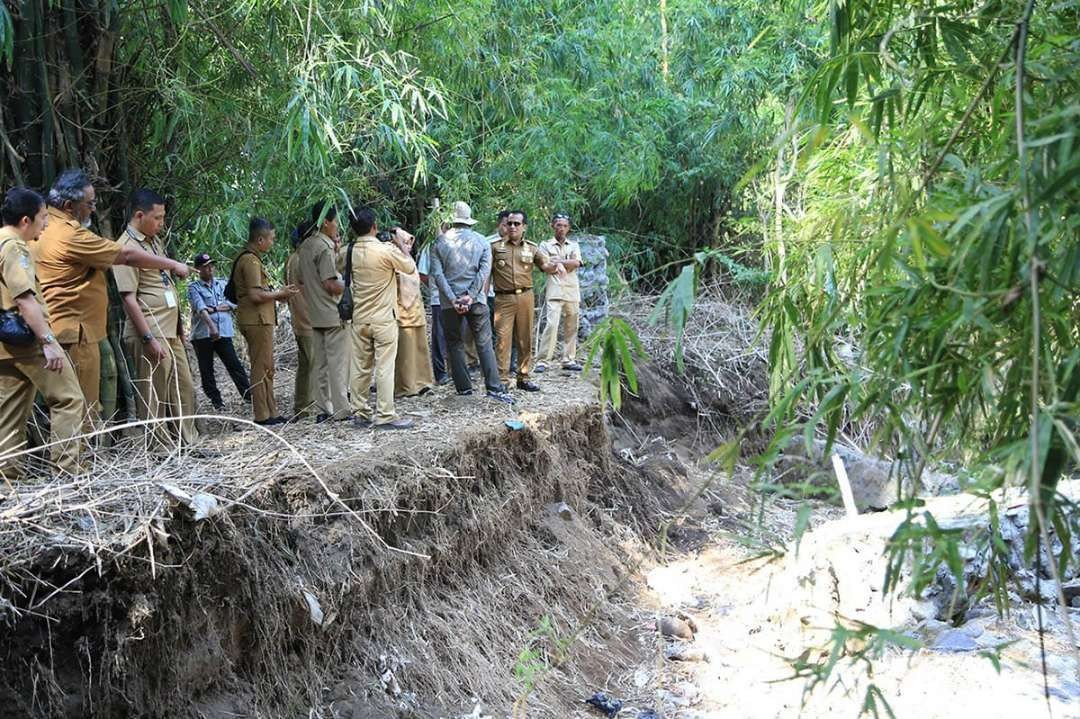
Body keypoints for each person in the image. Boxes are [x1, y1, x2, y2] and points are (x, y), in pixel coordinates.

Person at [31, 169, 190, 428]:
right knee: (79, 405)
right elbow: (126, 257)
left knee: (69, 403)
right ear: (70, 206)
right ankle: (74, 466)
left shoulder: (44, 226)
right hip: (74, 332)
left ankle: (73, 463)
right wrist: (172, 264)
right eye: (90, 204)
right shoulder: (69, 234)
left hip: (63, 329)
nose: (93, 210)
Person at [0, 188, 84, 479]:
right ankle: (66, 475)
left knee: (10, 413)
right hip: (27, 341)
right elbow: (24, 299)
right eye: (44, 217)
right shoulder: (14, 247)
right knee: (69, 399)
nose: (46, 224)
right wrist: (48, 342)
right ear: (26, 220)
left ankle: (7, 480)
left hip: (4, 345)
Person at [115, 189, 199, 446]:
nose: (162, 224)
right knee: (153, 394)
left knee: (183, 387)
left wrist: (178, 328)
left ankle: (188, 442)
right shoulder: (124, 248)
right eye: (158, 218)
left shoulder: (153, 242)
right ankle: (160, 449)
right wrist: (148, 338)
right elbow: (128, 298)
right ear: (140, 215)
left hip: (170, 331)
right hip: (150, 332)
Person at [429, 201, 512, 404]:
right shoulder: (482, 241)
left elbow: (437, 275)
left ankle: (464, 388)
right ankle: (493, 387)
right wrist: (471, 296)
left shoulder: (439, 243)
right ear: (469, 220)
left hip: (450, 304)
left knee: (455, 343)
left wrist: (453, 298)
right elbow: (484, 272)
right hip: (477, 301)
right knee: (484, 343)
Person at [344, 209, 417, 429]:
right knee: (385, 366)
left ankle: (360, 412)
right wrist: (401, 244)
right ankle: (385, 414)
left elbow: (337, 269)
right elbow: (410, 267)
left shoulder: (348, 251)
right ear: (374, 226)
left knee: (360, 366)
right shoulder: (385, 251)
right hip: (384, 318)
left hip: (359, 318)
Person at [233, 218, 298, 426]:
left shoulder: (253, 259)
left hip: (260, 319)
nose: (272, 243)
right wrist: (279, 294)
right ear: (260, 239)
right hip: (256, 320)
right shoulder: (250, 261)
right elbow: (255, 295)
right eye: (271, 239)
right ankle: (262, 414)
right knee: (261, 367)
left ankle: (271, 411)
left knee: (267, 366)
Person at [298, 202, 350, 423]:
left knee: (320, 365)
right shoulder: (324, 247)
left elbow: (302, 278)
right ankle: (342, 409)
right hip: (332, 313)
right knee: (338, 364)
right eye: (336, 222)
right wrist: (349, 286)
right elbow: (330, 284)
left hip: (315, 314)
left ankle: (322, 409)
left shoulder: (305, 246)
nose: (338, 227)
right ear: (326, 222)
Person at [490, 210, 551, 391]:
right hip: (503, 298)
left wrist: (560, 266)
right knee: (502, 340)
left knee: (525, 338)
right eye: (509, 223)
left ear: (524, 227)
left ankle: (523, 377)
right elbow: (486, 274)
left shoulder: (531, 248)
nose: (512, 227)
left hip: (525, 297)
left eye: (517, 224)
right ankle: (502, 381)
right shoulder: (495, 247)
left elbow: (545, 265)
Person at [187, 252, 251, 411]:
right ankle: (217, 402)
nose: (209, 269)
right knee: (206, 369)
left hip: (224, 332)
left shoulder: (222, 284)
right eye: (205, 267)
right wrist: (211, 326)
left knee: (234, 364)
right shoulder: (194, 288)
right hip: (203, 334)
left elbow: (233, 303)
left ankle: (249, 396)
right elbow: (201, 308)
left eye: (211, 266)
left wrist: (214, 308)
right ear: (198, 270)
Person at [389, 228, 435, 398]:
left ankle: (422, 382)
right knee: (405, 352)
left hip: (415, 309)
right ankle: (406, 386)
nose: (409, 245)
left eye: (410, 242)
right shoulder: (392, 254)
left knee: (420, 348)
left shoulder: (407, 258)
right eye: (405, 241)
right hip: (401, 310)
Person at [536, 213, 585, 372]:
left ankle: (568, 359)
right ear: (552, 226)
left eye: (565, 226)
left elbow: (576, 263)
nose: (562, 228)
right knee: (551, 324)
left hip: (571, 290)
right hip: (555, 291)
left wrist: (558, 262)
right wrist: (563, 265)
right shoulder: (545, 245)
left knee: (572, 325)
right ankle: (543, 361)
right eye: (558, 225)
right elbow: (545, 266)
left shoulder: (574, 245)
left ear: (568, 228)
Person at [286, 224, 316, 418]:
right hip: (308, 319)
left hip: (299, 318)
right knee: (313, 364)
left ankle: (301, 406)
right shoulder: (303, 259)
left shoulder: (292, 259)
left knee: (306, 365)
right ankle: (310, 408)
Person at [416, 242, 449, 384]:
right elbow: (422, 274)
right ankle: (440, 373)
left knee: (457, 337)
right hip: (439, 300)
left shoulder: (461, 243)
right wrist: (434, 289)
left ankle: (457, 371)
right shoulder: (431, 246)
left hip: (460, 299)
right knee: (439, 337)